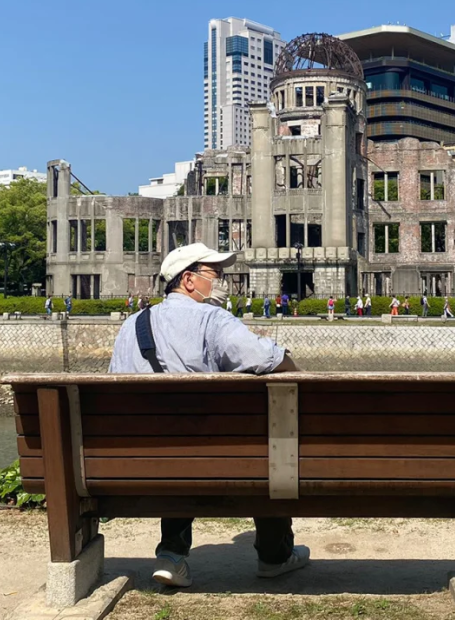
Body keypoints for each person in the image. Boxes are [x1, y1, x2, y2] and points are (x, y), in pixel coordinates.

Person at [109, 243, 308, 587]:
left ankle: (172, 554)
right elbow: (268, 359)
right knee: (266, 454)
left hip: (137, 458)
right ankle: (274, 555)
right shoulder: (212, 319)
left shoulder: (132, 325)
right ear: (188, 280)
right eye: (215, 274)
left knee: (176, 446)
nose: (222, 282)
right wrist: (295, 367)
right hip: (213, 455)